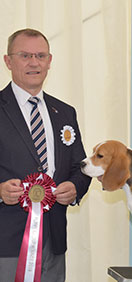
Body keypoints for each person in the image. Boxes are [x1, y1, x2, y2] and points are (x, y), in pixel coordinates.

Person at [0, 28, 91, 281]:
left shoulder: (65, 112)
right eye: (25, 55)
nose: (34, 62)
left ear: (49, 61)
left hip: (54, 241)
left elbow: (81, 167)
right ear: (8, 61)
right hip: (5, 244)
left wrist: (74, 187)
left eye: (40, 55)